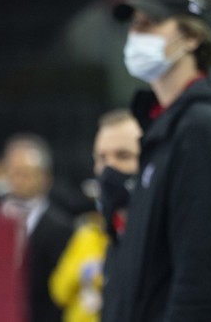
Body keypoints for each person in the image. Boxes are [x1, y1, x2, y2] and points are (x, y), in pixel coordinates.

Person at [103, 0, 211, 322]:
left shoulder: (203, 128)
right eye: (134, 25)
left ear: (192, 37)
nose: (135, 36)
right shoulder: (165, 124)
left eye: (150, 24)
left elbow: (201, 274)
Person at [50, 108, 142, 322]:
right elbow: (58, 289)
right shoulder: (95, 232)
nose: (109, 167)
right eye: (101, 158)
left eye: (123, 155)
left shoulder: (162, 232)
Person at [0, 133, 74, 322]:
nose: (18, 180)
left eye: (25, 173)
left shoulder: (60, 227)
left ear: (45, 177)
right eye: (13, 172)